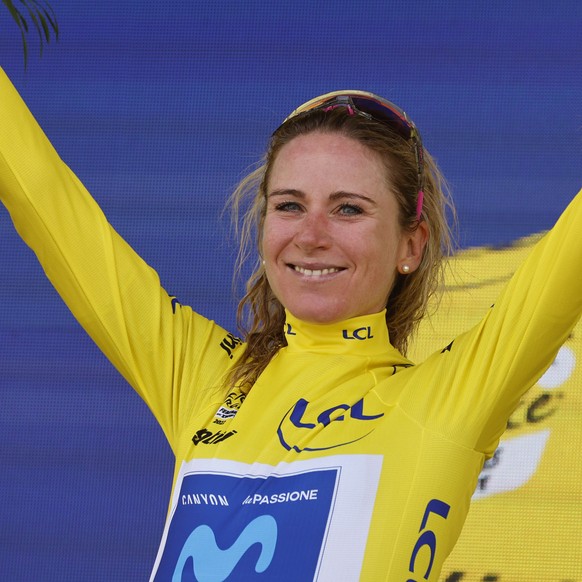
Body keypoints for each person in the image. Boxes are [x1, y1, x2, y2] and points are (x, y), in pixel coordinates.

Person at [1, 67, 581, 581]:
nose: (311, 234)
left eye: (349, 208)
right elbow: (45, 199)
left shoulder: (449, 400)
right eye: (289, 205)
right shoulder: (205, 378)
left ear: (411, 243)